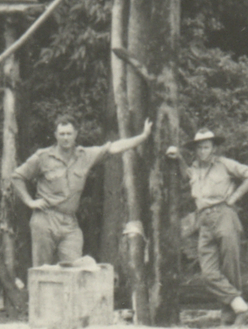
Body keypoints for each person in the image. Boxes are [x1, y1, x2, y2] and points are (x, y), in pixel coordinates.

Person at [11, 115, 152, 268]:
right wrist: (30, 201)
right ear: (55, 135)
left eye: (69, 134)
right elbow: (17, 176)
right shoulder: (43, 157)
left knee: (75, 269)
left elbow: (114, 147)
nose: (65, 138)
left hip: (70, 223)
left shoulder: (85, 155)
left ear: (76, 134)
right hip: (45, 220)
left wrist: (143, 136)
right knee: (42, 271)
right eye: (62, 134)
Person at [170, 127, 248, 322]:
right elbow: (187, 176)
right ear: (195, 150)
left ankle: (230, 314)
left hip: (224, 215)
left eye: (206, 147)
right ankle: (242, 309)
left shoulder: (225, 164)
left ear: (213, 148)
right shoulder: (194, 168)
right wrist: (179, 158)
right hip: (204, 221)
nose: (203, 151)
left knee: (230, 266)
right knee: (208, 273)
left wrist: (235, 197)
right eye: (199, 148)